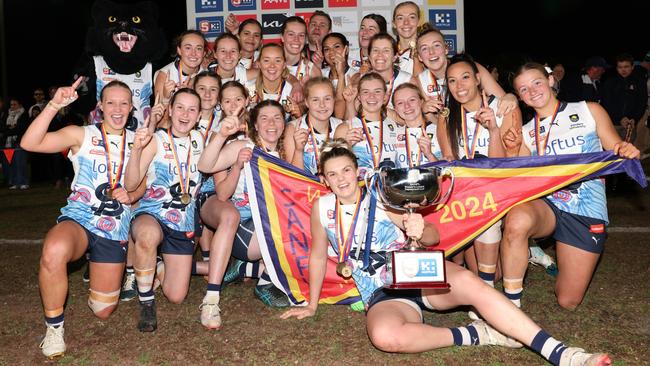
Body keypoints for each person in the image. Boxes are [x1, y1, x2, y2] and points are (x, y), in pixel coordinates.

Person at [281, 139, 611, 366]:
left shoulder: (382, 197)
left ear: (357, 171)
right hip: (383, 291)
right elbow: (319, 256)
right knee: (385, 337)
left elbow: (433, 235)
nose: (342, 179)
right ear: (323, 179)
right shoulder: (321, 208)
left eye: (346, 170)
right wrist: (311, 305)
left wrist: (420, 231)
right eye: (333, 174)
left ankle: (563, 354)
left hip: (419, 273)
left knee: (474, 286)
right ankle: (476, 334)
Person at [500, 62, 640, 310]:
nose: (532, 91)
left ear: (551, 80)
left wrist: (624, 149)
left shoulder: (589, 110)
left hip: (585, 209)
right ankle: (511, 307)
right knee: (517, 220)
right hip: (547, 205)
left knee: (568, 300)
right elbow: (515, 181)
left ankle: (538, 249)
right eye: (523, 89)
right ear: (520, 97)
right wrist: (512, 151)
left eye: (537, 82)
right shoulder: (525, 132)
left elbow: (614, 145)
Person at [21, 79, 138, 358]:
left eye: (124, 103)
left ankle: (99, 267)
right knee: (53, 250)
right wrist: (54, 105)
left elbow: (145, 183)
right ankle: (54, 328)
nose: (117, 109)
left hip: (114, 225)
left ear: (132, 107)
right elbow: (29, 143)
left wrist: (132, 194)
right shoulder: (81, 134)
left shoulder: (141, 140)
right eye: (111, 102)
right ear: (100, 106)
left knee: (104, 310)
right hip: (80, 218)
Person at [437, 54, 520, 300]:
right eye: (452, 81)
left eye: (464, 78)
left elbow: (503, 165)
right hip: (467, 193)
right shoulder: (446, 117)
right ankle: (487, 288)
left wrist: (493, 130)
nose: (459, 86)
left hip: (501, 189)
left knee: (488, 207)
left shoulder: (505, 107)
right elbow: (451, 164)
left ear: (477, 79)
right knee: (489, 276)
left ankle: (489, 293)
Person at [198, 100, 293, 307]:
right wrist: (223, 137)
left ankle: (245, 269)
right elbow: (205, 166)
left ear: (284, 125)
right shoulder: (244, 146)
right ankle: (265, 285)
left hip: (261, 228)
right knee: (287, 229)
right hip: (242, 228)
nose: (271, 123)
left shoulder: (285, 154)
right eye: (264, 118)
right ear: (255, 125)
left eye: (277, 118)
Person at [124, 88, 204, 332]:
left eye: (192, 109)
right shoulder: (156, 140)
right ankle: (146, 302)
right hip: (153, 214)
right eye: (179, 107)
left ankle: (155, 265)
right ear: (170, 110)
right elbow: (130, 184)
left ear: (199, 116)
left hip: (183, 222)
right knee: (147, 236)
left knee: (176, 295)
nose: (185, 114)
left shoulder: (201, 140)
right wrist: (136, 149)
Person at [193, 80, 247, 329]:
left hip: (250, 201)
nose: (233, 104)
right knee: (229, 215)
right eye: (227, 100)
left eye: (238, 99)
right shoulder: (220, 131)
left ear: (247, 100)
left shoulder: (260, 125)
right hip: (213, 195)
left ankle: (191, 266)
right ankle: (212, 298)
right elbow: (220, 190)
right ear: (220, 105)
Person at [336, 72, 399, 179]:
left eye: (377, 91)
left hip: (393, 190)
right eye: (366, 92)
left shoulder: (396, 125)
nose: (372, 96)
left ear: (385, 96)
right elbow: (334, 168)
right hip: (360, 191)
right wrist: (346, 147)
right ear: (359, 96)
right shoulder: (345, 129)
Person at [285, 77, 344, 175]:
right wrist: (298, 151)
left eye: (327, 99)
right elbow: (292, 177)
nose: (322, 105)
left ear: (334, 100)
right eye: (315, 100)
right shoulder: (293, 129)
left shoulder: (341, 126)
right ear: (307, 103)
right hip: (305, 188)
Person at [154, 30, 207, 110]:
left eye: (199, 48)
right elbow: (160, 118)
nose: (193, 53)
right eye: (188, 48)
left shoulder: (207, 76)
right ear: (179, 50)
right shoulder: (164, 75)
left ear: (204, 53)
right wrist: (167, 98)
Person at [391, 83, 442, 167]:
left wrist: (429, 155)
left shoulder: (439, 130)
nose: (407, 106)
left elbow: (447, 172)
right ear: (395, 109)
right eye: (400, 103)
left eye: (412, 100)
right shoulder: (393, 135)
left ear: (422, 102)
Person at [245, 43, 300, 121]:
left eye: (277, 61)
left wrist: (296, 116)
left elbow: (297, 124)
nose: (272, 65)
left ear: (284, 64)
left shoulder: (293, 92)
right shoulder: (247, 89)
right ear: (259, 64)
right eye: (266, 60)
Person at [601, 53, 648, 142]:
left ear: (632, 67)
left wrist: (634, 118)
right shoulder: (609, 82)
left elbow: (642, 102)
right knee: (612, 151)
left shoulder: (640, 82)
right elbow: (606, 103)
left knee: (627, 152)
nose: (623, 70)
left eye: (626, 67)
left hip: (630, 124)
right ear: (616, 68)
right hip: (612, 124)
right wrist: (620, 118)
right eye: (620, 67)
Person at [320, 33, 358, 119]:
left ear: (346, 49)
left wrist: (340, 74)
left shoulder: (356, 76)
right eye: (327, 49)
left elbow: (340, 116)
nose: (331, 52)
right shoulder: (320, 75)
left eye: (336, 47)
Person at [281, 17, 322, 82]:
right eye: (291, 34)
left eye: (301, 35)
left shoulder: (312, 71)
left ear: (305, 39)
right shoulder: (271, 66)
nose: (296, 39)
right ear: (282, 37)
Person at [4, 98, 30, 189]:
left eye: (15, 104)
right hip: (9, 142)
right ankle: (15, 182)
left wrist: (10, 130)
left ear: (19, 105)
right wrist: (9, 130)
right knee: (12, 163)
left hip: (20, 141)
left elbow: (21, 129)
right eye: (11, 105)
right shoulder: (7, 115)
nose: (12, 106)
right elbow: (5, 128)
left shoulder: (23, 115)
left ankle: (24, 182)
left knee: (21, 162)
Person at [392, 1, 422, 75]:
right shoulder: (388, 53)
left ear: (419, 22)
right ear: (394, 24)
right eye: (400, 18)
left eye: (412, 17)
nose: (406, 22)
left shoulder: (427, 51)